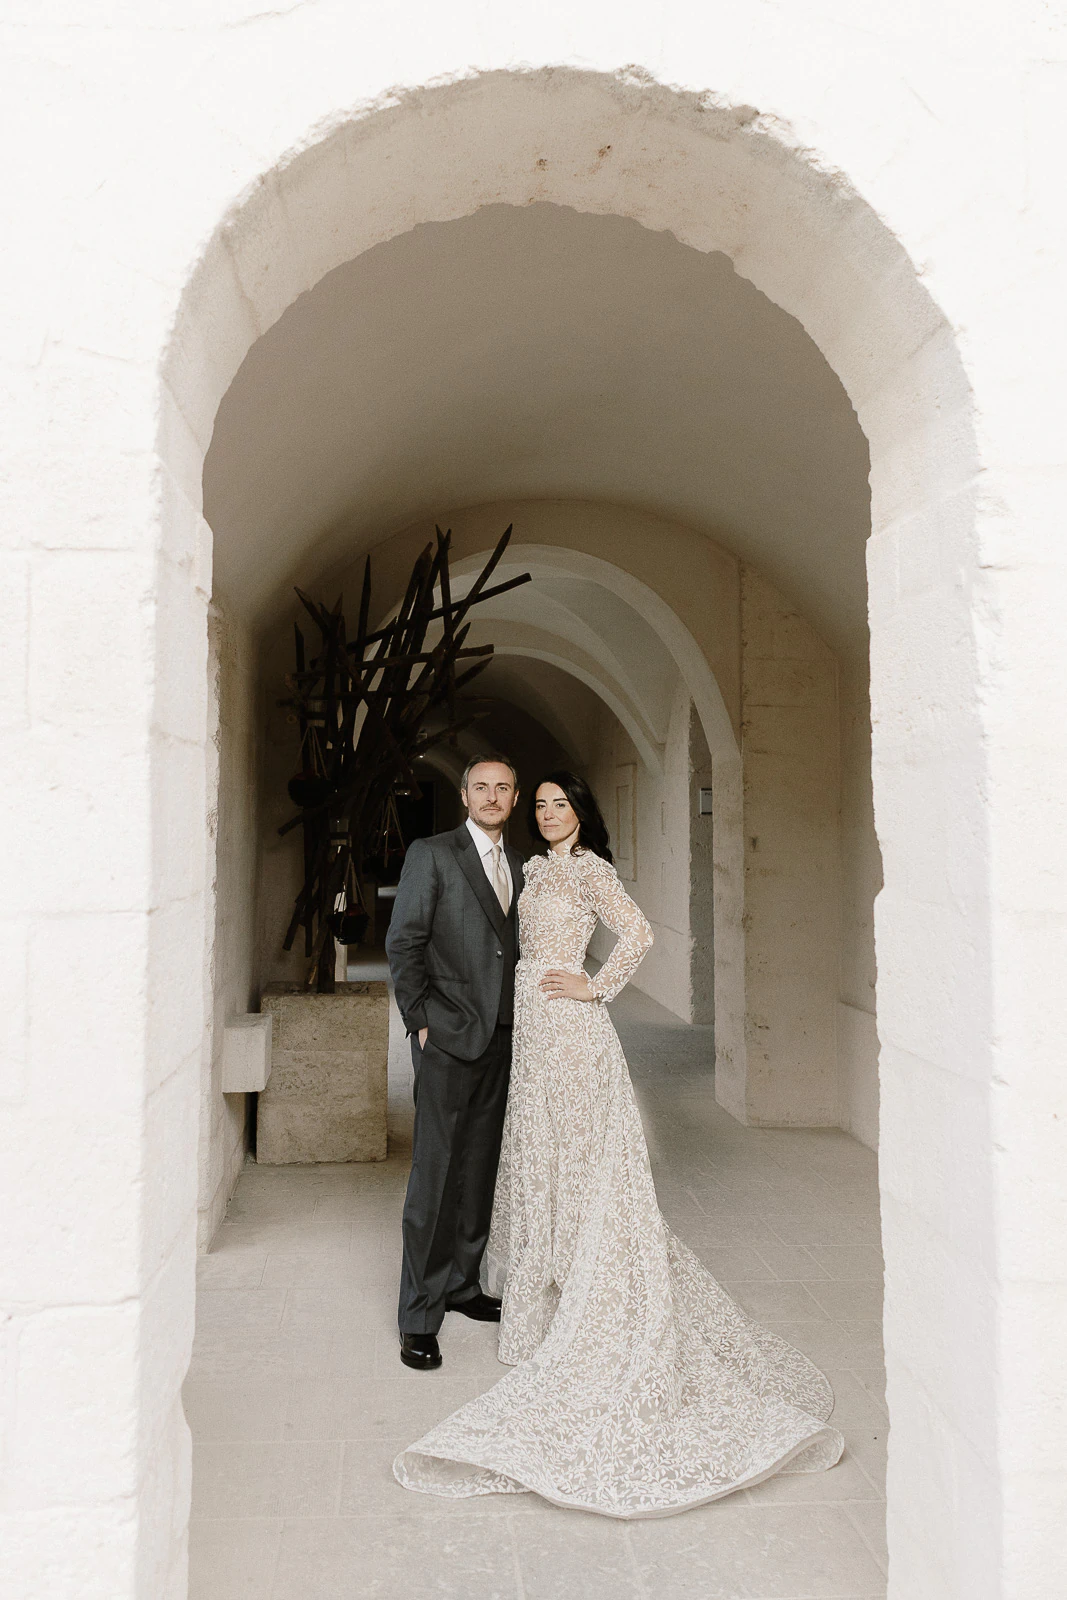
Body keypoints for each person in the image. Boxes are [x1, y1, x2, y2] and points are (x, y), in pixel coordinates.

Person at [393, 770, 844, 1516]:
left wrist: (595, 986)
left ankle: (557, 1279)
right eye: (530, 802)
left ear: (580, 810)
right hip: (515, 1035)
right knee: (523, 1157)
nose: (538, 810)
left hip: (565, 1030)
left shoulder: (589, 869)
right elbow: (430, 940)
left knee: (573, 1154)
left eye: (551, 801)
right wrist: (423, 1015)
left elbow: (637, 932)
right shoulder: (527, 867)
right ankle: (456, 1297)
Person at [385, 755, 525, 1372]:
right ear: (465, 794)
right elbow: (404, 942)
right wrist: (419, 1021)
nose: (491, 796)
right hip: (444, 1037)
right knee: (434, 1175)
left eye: (503, 787)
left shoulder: (522, 866)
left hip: (504, 1037)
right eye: (481, 787)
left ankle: (463, 1285)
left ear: (514, 799)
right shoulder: (433, 853)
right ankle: (419, 1313)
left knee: (479, 1168)